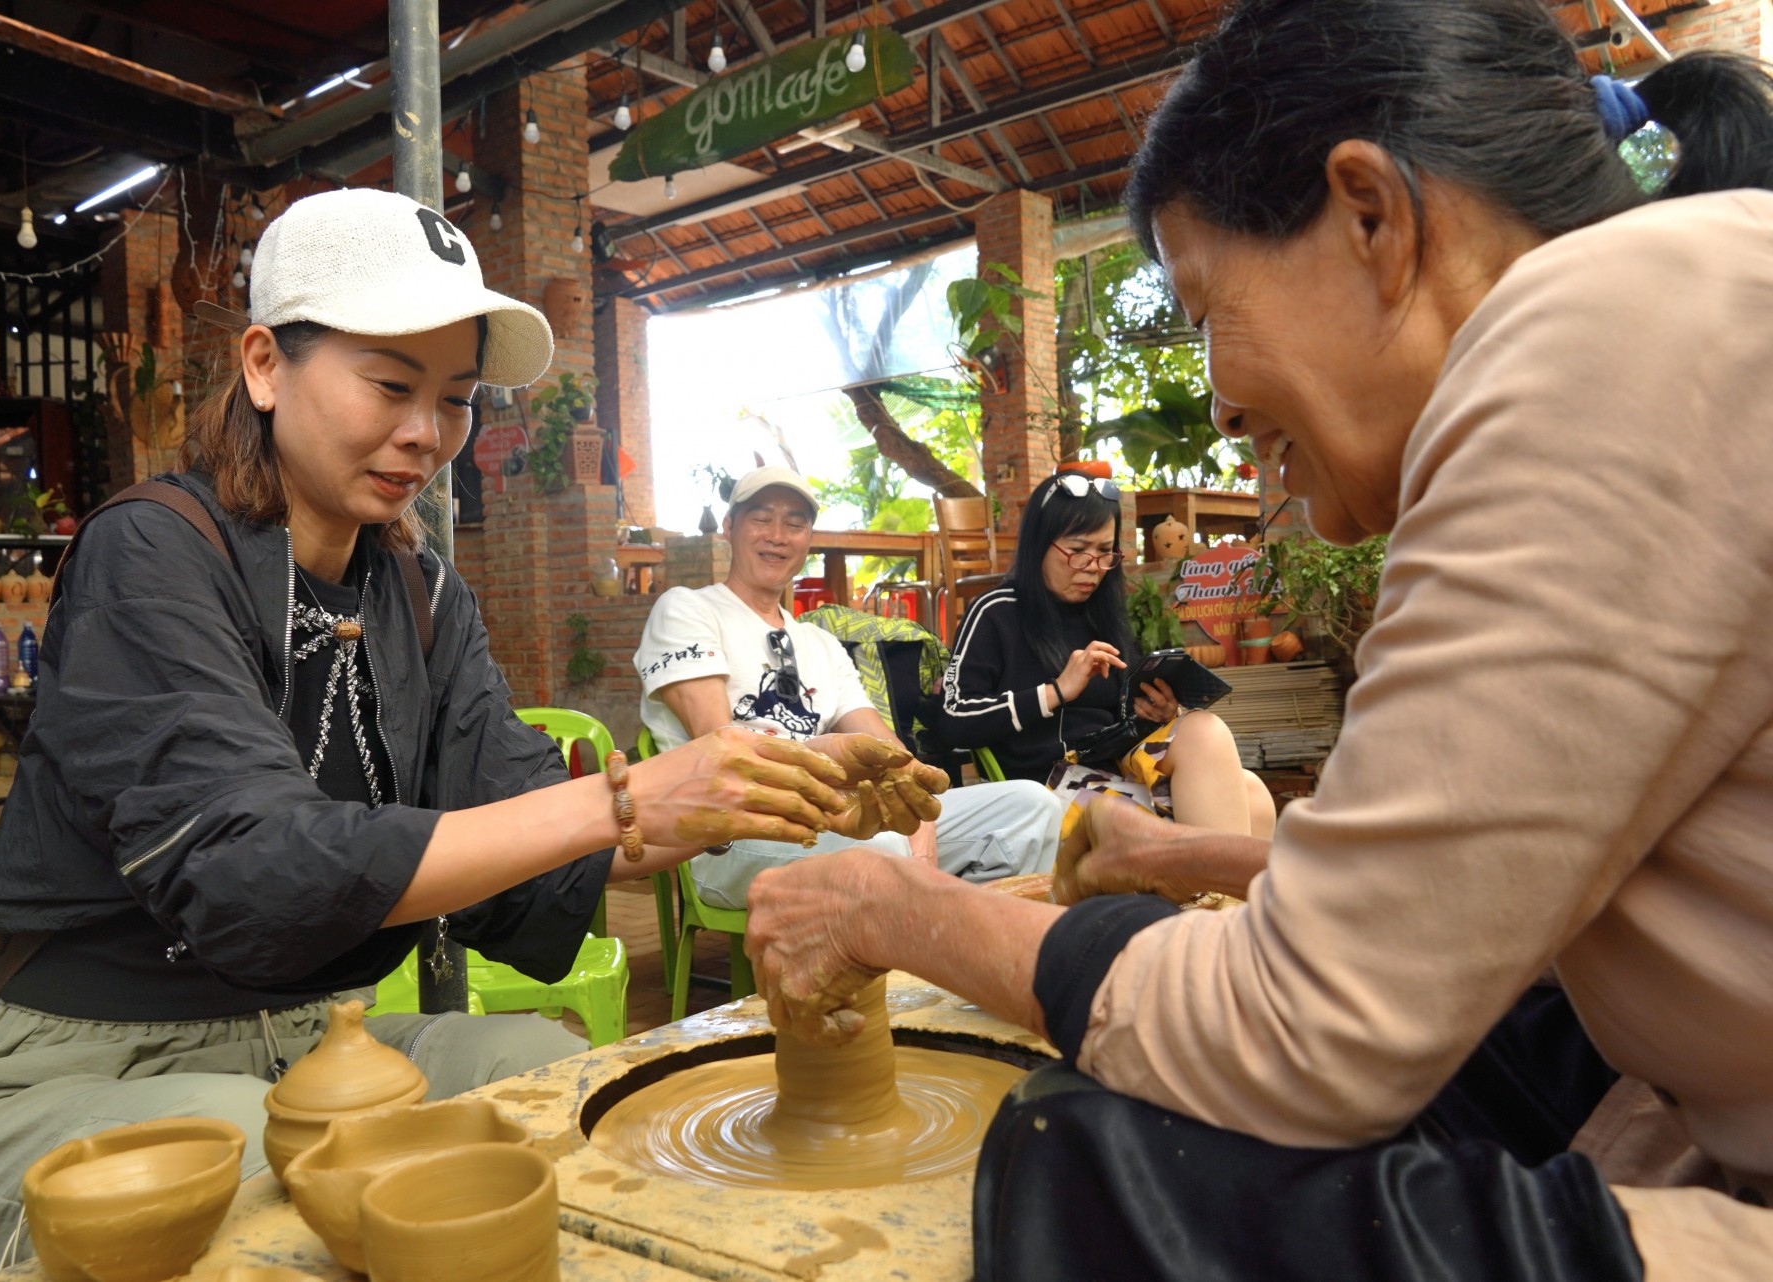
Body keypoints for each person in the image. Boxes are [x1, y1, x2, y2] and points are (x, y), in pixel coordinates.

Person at [740, 4, 1773, 1279]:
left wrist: (901, 908)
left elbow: (1307, 1031)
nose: (1221, 399)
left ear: (1371, 218)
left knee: (1104, 1170)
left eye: (1202, 304)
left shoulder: (1608, 334)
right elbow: (1477, 879)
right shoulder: (1691, 298)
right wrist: (1195, 851)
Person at [0, 189, 924, 1280]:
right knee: (292, 1182)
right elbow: (248, 868)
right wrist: (627, 796)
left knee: (548, 1079)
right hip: (80, 1068)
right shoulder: (150, 554)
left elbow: (531, 844)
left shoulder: (423, 596)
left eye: (454, 398)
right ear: (263, 365)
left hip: (310, 1046)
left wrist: (780, 781)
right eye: (390, 385)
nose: (426, 434)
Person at [635, 466, 1063, 910]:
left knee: (1031, 808)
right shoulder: (686, 609)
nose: (777, 535)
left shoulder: (820, 643)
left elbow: (890, 752)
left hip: (836, 815)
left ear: (808, 539)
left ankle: (971, 947)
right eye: (761, 518)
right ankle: (920, 949)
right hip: (735, 831)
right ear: (729, 528)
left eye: (795, 523)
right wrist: (839, 764)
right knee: (884, 849)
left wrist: (919, 817)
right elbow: (718, 747)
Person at [927, 468, 1276, 842]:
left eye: (1105, 552)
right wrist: (1057, 691)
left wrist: (1152, 716)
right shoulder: (997, 612)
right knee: (1238, 794)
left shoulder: (1101, 613)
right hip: (1043, 790)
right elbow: (952, 720)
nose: (1093, 568)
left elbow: (1114, 723)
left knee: (1239, 774)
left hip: (1112, 771)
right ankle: (1215, 893)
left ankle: (1222, 897)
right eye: (1078, 551)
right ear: (1040, 544)